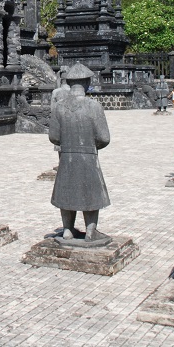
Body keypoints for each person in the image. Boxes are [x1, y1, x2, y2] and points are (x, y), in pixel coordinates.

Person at [49, 62, 111, 242]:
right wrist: (91, 146)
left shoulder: (59, 107)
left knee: (66, 190)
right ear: (86, 82)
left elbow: (54, 136)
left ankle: (67, 229)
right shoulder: (94, 106)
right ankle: (91, 230)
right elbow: (104, 137)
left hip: (67, 155)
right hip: (88, 155)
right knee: (90, 191)